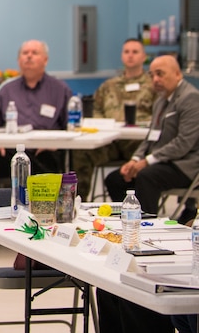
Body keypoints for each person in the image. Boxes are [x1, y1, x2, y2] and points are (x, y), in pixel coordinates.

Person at [104, 55, 199, 220]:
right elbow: (150, 138)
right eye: (152, 75)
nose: (155, 79)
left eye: (160, 74)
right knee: (115, 179)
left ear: (178, 74)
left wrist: (147, 161)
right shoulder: (160, 101)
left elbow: (183, 143)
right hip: (161, 161)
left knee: (147, 176)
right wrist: (134, 160)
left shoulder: (190, 98)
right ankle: (128, 221)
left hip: (185, 164)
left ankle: (146, 226)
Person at [0, 40, 72, 191]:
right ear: (19, 60)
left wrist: (56, 144)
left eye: (34, 53)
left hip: (44, 152)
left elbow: (72, 127)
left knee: (46, 163)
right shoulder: (7, 90)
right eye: (25, 53)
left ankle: (41, 210)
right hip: (11, 151)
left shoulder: (60, 90)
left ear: (45, 60)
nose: (29, 56)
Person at [71, 39, 156, 199]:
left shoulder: (152, 85)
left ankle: (141, 205)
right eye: (126, 52)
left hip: (138, 144)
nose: (130, 55)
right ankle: (78, 201)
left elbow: (159, 115)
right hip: (110, 143)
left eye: (135, 52)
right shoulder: (108, 86)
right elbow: (95, 110)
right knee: (82, 150)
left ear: (143, 56)